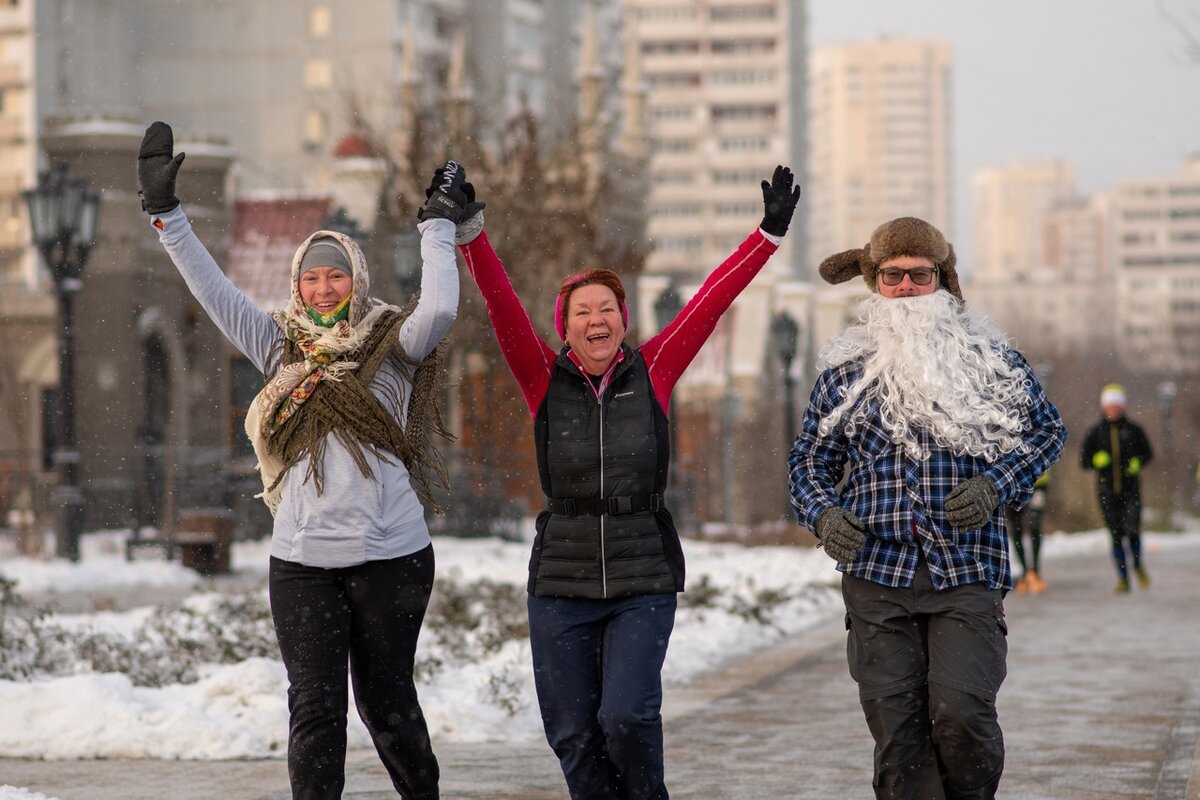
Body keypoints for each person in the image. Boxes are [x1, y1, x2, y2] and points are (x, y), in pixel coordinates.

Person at [137, 121, 468, 799]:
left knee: (387, 707)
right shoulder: (278, 348)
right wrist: (167, 217)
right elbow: (216, 293)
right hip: (304, 564)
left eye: (335, 274)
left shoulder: (393, 344)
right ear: (298, 283)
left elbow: (439, 306)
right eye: (312, 277)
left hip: (391, 557)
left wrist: (437, 226)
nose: (322, 287)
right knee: (314, 711)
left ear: (356, 279)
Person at [453, 166, 799, 799]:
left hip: (643, 574)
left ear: (622, 319)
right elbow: (501, 305)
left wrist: (767, 234)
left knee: (626, 717)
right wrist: (471, 233)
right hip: (561, 578)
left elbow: (710, 301)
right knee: (572, 733)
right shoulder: (542, 378)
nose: (596, 319)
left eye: (607, 309)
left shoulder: (656, 368)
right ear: (565, 326)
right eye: (582, 311)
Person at [788, 217, 1066, 800]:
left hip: (965, 569)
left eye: (920, 274)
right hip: (876, 575)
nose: (907, 288)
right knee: (900, 737)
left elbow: (1045, 432)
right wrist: (822, 513)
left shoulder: (992, 363)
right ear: (874, 283)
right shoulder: (845, 374)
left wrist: (996, 485)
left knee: (962, 715)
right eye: (893, 276)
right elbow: (808, 461)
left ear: (943, 279)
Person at [1079, 383, 1154, 594]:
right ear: (1104, 406)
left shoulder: (1134, 430)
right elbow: (1083, 461)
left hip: (1131, 490)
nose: (1112, 409)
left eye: (1116, 405)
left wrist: (1138, 462)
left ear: (1122, 406)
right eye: (1109, 405)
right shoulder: (1096, 432)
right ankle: (1123, 577)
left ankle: (1138, 564)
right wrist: (1095, 460)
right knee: (1115, 534)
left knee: (1132, 531)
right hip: (1106, 491)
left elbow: (1148, 453)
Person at [1006, 471, 1050, 593]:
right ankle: (1024, 573)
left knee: (1034, 524)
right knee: (1015, 528)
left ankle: (1035, 571)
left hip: (1038, 483)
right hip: (1011, 484)